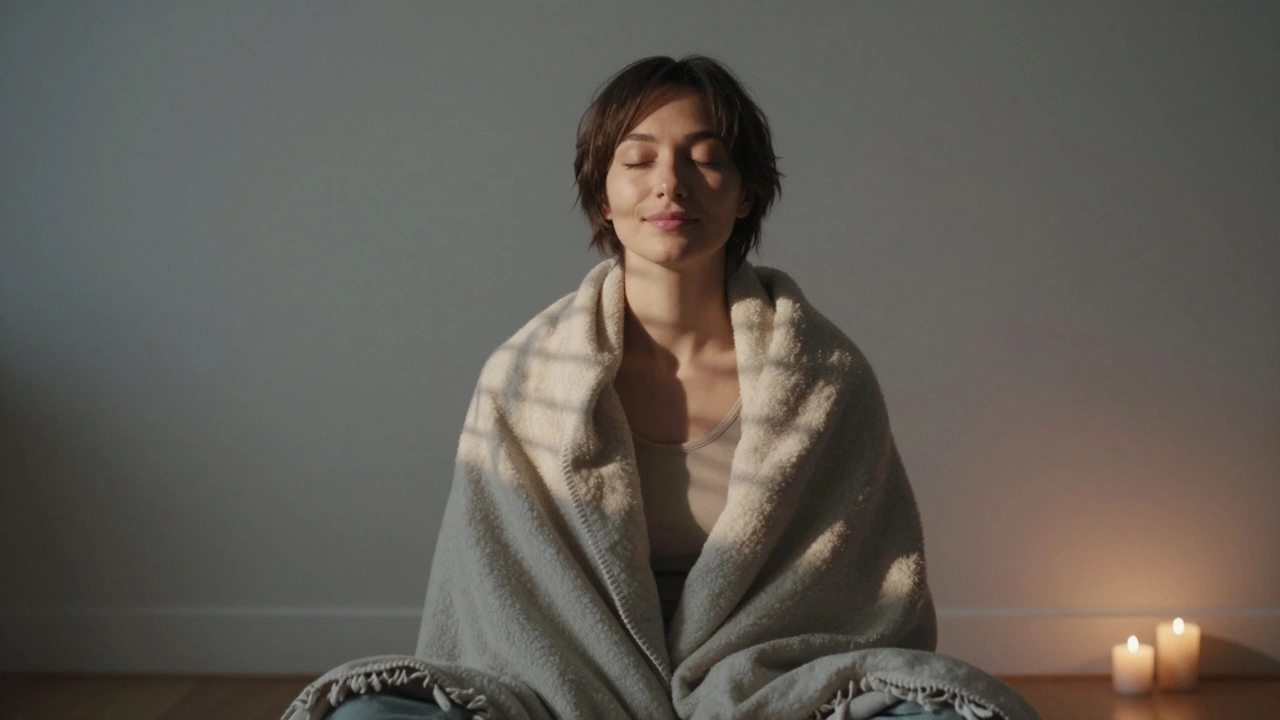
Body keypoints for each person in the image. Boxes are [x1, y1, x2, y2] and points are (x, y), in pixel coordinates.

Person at [313, 55, 1024, 720]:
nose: (671, 183)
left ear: (747, 193)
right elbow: (496, 602)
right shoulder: (527, 378)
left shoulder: (825, 378)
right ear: (602, 193)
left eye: (706, 157)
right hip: (560, 686)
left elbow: (860, 588)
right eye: (639, 158)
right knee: (365, 714)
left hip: (775, 687)